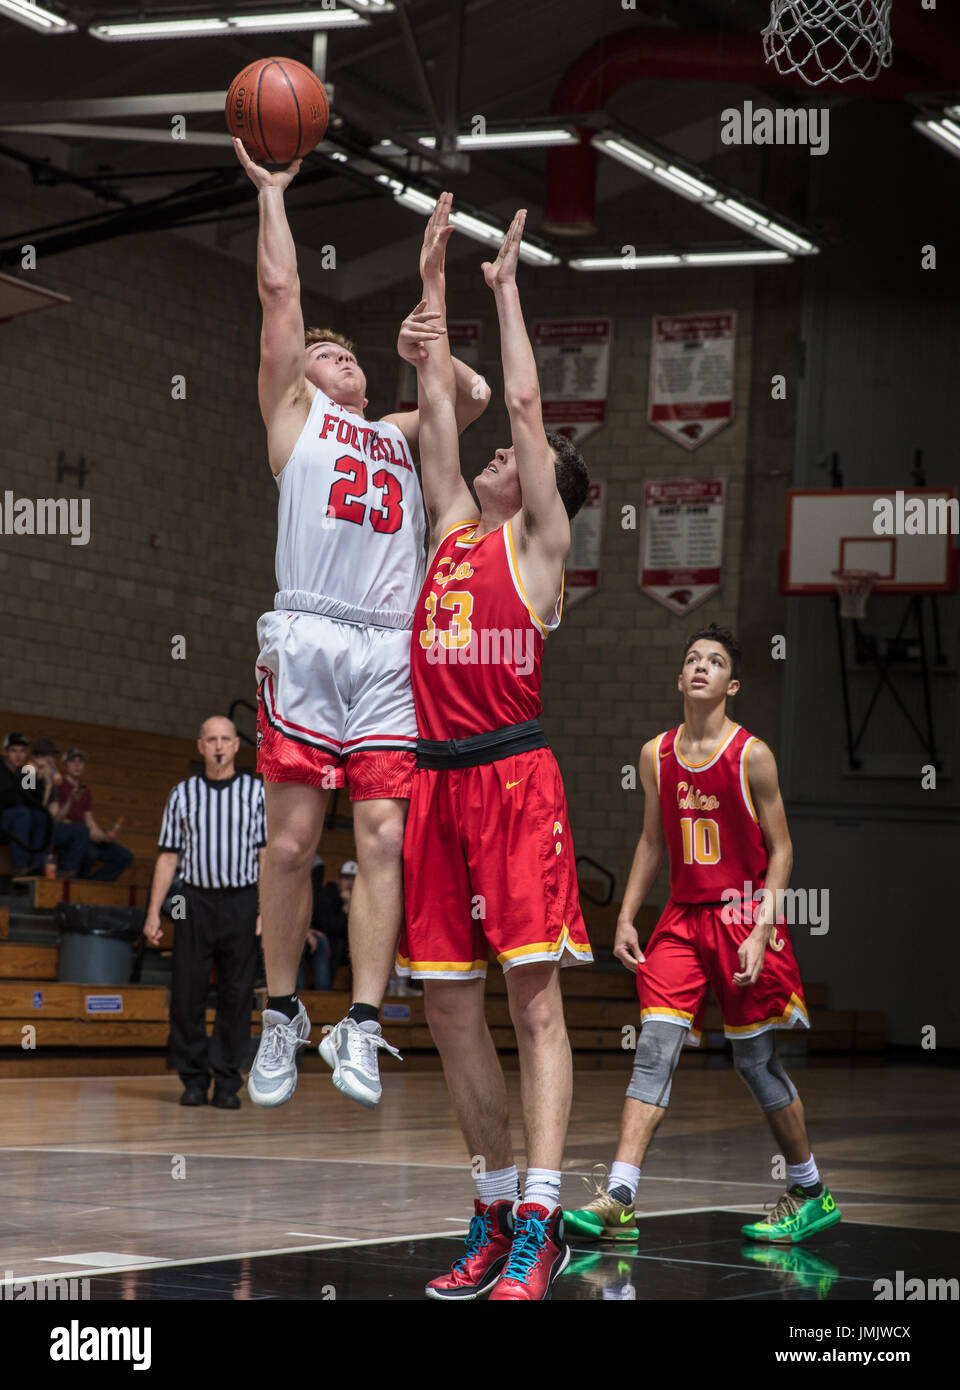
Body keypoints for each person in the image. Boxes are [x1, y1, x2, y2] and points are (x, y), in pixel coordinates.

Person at [232, 137, 490, 1112]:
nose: (330, 355)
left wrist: (431, 307)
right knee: (294, 844)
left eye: (344, 351)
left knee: (383, 835)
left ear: (363, 376)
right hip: (309, 635)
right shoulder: (293, 414)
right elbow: (278, 299)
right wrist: (273, 196)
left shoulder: (396, 431)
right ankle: (283, 1009)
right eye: (322, 350)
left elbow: (465, 396)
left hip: (389, 644)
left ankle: (366, 1020)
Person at [397, 196, 592, 1301]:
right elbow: (438, 400)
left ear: (539, 485)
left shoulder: (538, 547)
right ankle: (489, 1200)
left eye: (519, 461)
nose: (496, 463)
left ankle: (543, 1218)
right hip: (437, 787)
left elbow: (516, 398)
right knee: (448, 1005)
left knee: (534, 1005)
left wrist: (504, 289)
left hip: (516, 781)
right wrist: (430, 280)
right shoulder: (449, 528)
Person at [563, 624, 842, 1245]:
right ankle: (621, 1197)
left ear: (731, 684)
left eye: (714, 662)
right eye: (691, 659)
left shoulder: (753, 755)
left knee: (756, 1061)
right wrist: (628, 915)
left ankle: (812, 1191)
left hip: (744, 917)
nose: (700, 667)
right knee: (654, 1051)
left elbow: (783, 849)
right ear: (679, 678)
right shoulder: (654, 753)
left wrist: (762, 926)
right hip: (683, 921)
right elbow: (651, 841)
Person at [143, 717, 266, 1109]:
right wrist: (152, 913)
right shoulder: (182, 794)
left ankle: (227, 1080)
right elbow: (167, 857)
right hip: (193, 901)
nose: (218, 746)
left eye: (225, 739)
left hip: (242, 900)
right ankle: (193, 1078)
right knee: (187, 992)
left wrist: (266, 908)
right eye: (211, 739)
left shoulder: (255, 792)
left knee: (237, 993)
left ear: (235, 746)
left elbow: (265, 856)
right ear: (200, 746)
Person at [0, 733, 88, 878]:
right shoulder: (27, 770)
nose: (18, 755)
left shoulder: (28, 771)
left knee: (43, 817)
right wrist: (34, 774)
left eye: (22, 751)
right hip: (7, 818)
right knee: (27, 814)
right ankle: (22, 867)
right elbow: (22, 799)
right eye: (13, 750)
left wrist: (44, 781)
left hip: (25, 818)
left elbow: (35, 801)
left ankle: (40, 868)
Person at [54, 748, 134, 882]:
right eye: (72, 761)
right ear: (64, 765)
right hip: (72, 837)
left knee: (125, 856)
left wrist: (105, 836)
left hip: (87, 836)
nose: (77, 765)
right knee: (89, 852)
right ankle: (79, 884)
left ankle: (93, 884)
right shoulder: (60, 785)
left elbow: (90, 821)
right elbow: (60, 819)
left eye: (81, 762)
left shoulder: (85, 790)